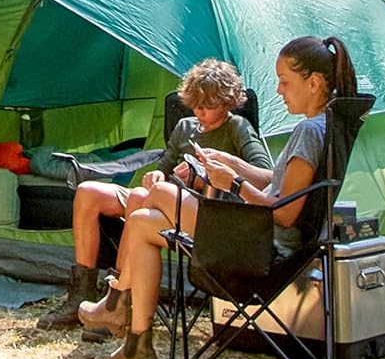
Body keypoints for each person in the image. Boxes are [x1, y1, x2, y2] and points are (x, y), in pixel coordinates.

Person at [83, 35, 359, 359]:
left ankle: (117, 301)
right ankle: (137, 348)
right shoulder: (324, 126)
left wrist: (234, 183)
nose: (278, 90)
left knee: (160, 193)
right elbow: (279, 184)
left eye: (285, 81)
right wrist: (234, 164)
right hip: (266, 239)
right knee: (140, 222)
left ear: (314, 82)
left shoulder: (308, 131)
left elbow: (285, 213)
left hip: (259, 245)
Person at [35, 58, 271, 330]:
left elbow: (264, 174)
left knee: (137, 200)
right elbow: (163, 167)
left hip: (195, 210)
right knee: (89, 192)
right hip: (162, 195)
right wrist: (157, 174)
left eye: (209, 106)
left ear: (229, 101)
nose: (201, 112)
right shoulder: (186, 127)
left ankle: (117, 301)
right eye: (195, 105)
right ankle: (81, 296)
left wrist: (208, 174)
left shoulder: (237, 127)